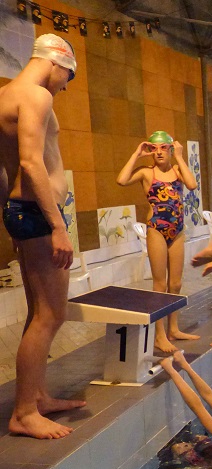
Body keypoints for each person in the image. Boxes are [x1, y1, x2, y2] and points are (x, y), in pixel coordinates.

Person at [0, 34, 87, 439]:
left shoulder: (5, 95)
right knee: (52, 314)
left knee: (39, 312)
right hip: (38, 213)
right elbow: (31, 163)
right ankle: (23, 413)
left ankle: (35, 397)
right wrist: (57, 226)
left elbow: (4, 171)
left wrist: (9, 215)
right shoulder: (36, 95)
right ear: (57, 62)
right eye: (68, 77)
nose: (65, 86)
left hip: (23, 212)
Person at [117, 131, 200, 353]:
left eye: (164, 148)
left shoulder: (177, 170)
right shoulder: (147, 172)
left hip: (178, 230)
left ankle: (173, 329)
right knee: (160, 284)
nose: (159, 152)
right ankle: (159, 335)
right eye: (154, 149)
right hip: (156, 229)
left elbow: (192, 185)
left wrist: (180, 156)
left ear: (171, 149)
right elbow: (121, 180)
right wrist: (136, 154)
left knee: (176, 284)